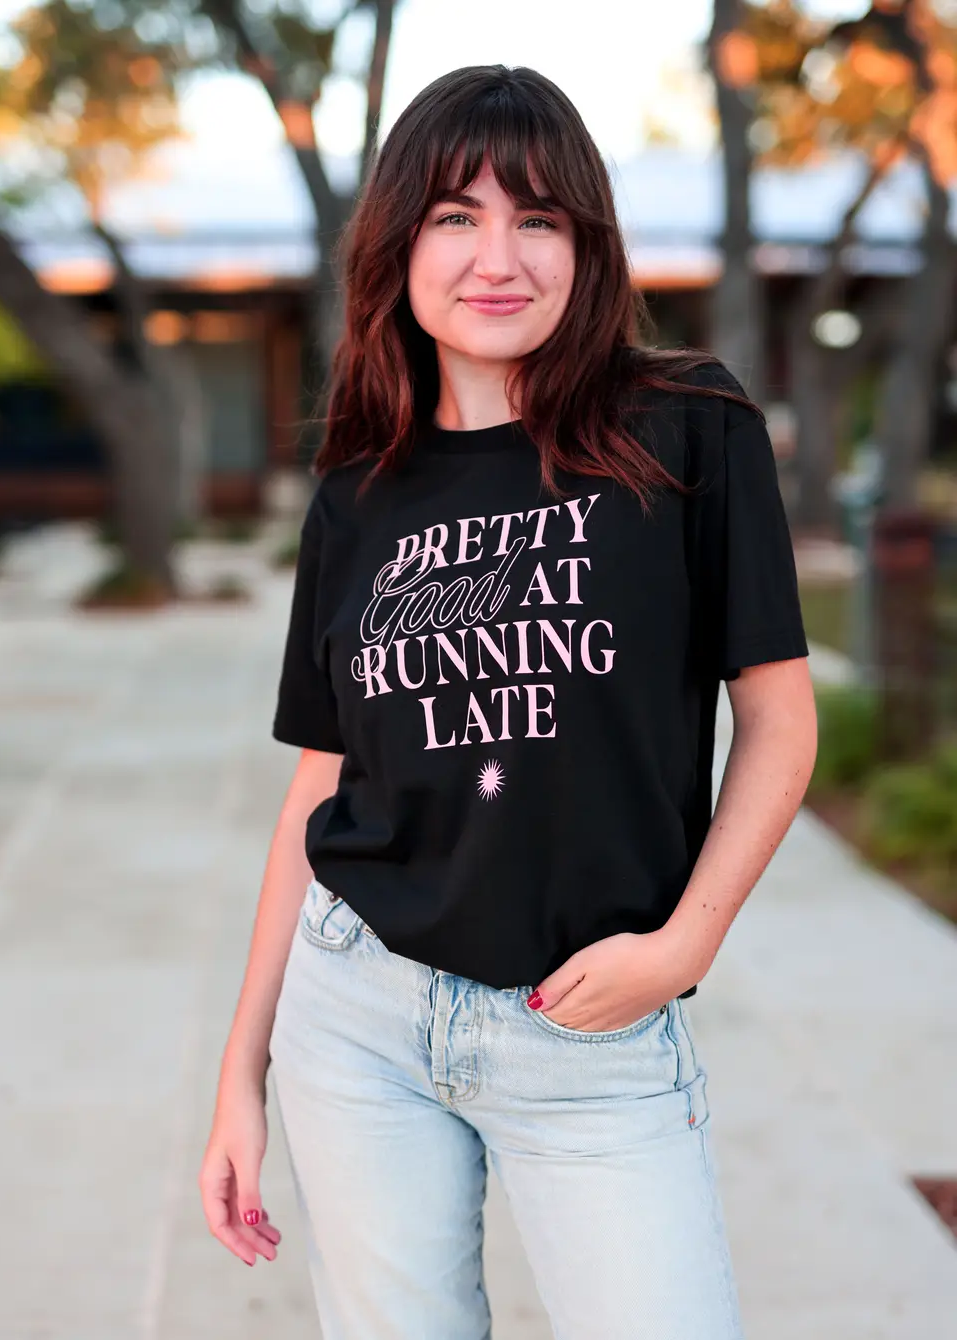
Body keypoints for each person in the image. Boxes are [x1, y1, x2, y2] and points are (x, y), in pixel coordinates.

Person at [199, 64, 817, 1340]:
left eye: (538, 218)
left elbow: (778, 716)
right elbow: (319, 788)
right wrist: (239, 1071)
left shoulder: (687, 429)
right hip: (358, 1016)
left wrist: (684, 944)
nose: (499, 256)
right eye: (454, 216)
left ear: (586, 247)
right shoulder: (356, 496)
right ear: (398, 246)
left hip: (591, 1027)